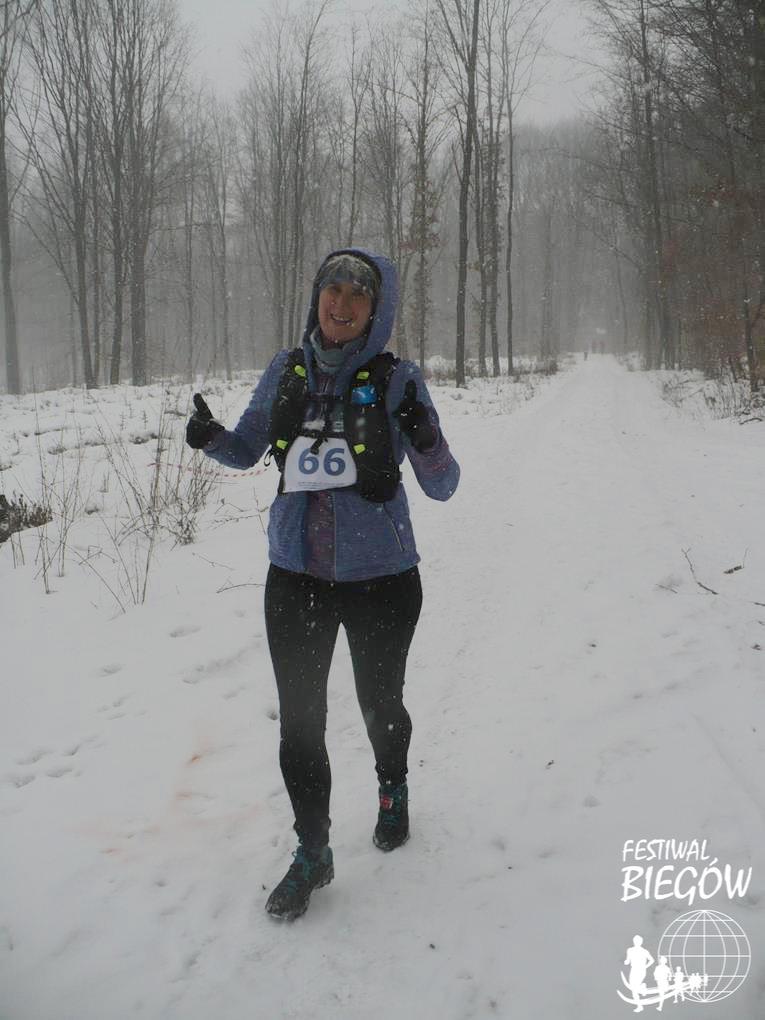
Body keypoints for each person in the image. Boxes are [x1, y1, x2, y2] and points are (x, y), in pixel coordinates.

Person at [186, 248, 460, 920]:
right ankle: (313, 851)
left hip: (382, 578)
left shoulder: (398, 380)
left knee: (380, 705)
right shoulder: (287, 371)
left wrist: (425, 437)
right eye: (332, 290)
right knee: (300, 723)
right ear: (317, 297)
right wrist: (211, 436)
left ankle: (392, 787)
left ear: (375, 310)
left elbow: (443, 485)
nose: (341, 304)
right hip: (295, 576)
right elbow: (248, 448)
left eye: (357, 295)